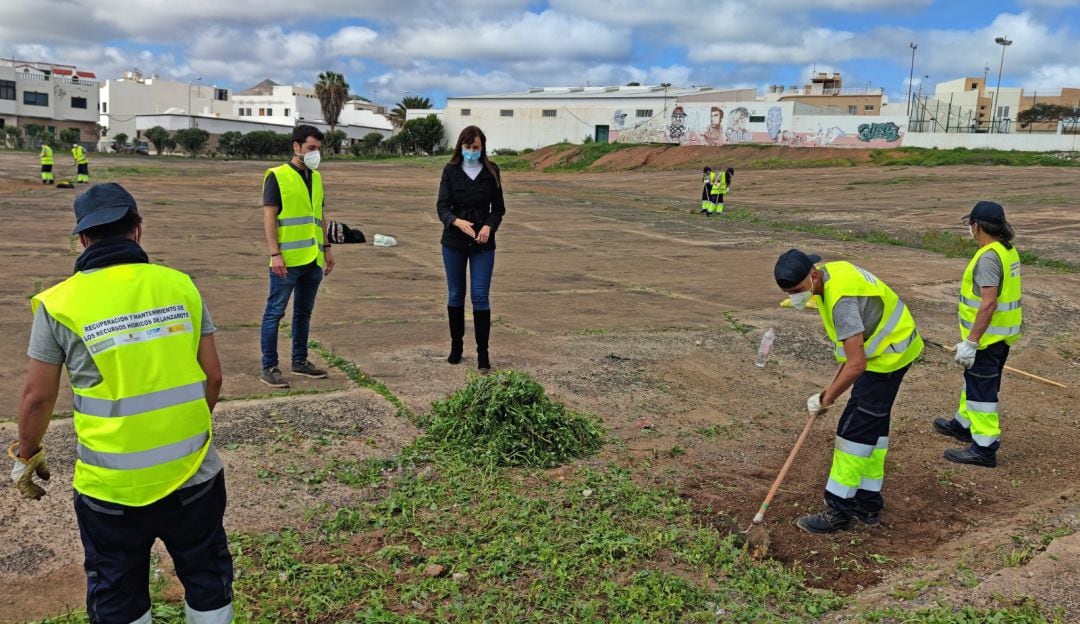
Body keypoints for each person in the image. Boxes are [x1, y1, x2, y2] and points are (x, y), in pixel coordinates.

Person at [9, 182, 233, 623]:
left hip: (110, 489)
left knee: (117, 587)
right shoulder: (179, 286)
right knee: (206, 574)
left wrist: (27, 453)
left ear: (83, 239)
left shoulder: (59, 305)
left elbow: (37, 397)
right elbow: (214, 377)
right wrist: (179, 428)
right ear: (138, 231)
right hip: (193, 475)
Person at [774, 249, 923, 533]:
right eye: (789, 292)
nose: (795, 297)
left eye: (798, 290)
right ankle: (867, 505)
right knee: (874, 432)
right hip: (892, 349)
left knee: (852, 434)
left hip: (887, 358)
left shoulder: (841, 302)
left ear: (813, 275)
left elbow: (856, 364)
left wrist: (825, 398)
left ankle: (838, 510)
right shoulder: (833, 273)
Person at [933, 201, 1022, 468]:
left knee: (982, 390)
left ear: (977, 226)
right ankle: (963, 424)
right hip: (1000, 336)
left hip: (986, 339)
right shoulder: (1007, 250)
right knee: (974, 381)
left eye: (969, 225)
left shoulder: (988, 258)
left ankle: (984, 448)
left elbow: (989, 303)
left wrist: (971, 342)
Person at [259, 124, 335, 388]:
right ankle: (269, 366)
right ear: (296, 147)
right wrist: (275, 253)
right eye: (311, 148)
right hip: (286, 261)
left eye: (318, 149)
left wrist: (327, 248)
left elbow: (320, 215)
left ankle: (300, 361)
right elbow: (269, 217)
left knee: (303, 313)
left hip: (312, 259)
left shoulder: (316, 177)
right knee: (275, 313)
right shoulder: (277, 176)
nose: (316, 153)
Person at [436, 125, 506, 371]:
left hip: (482, 244)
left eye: (476, 148)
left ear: (482, 147)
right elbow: (442, 206)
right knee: (456, 294)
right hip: (454, 242)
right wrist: (455, 221)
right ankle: (456, 346)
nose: (472, 152)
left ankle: (483, 353)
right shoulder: (450, 171)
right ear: (461, 147)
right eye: (468, 147)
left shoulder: (491, 171)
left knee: (479, 296)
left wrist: (489, 226)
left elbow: (498, 208)